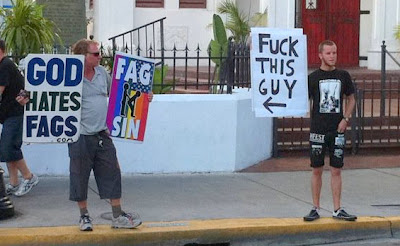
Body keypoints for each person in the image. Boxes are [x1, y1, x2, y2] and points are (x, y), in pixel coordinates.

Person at [70, 39, 153, 231]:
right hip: (80, 135)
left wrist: (144, 96)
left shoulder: (101, 73)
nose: (100, 57)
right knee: (79, 176)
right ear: (83, 56)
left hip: (102, 134)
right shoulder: (71, 76)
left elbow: (120, 93)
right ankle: (84, 217)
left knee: (113, 173)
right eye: (96, 54)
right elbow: (51, 95)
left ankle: (118, 216)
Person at [303, 40, 357, 222]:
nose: (332, 56)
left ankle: (337, 209)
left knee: (336, 170)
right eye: (328, 53)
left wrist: (346, 119)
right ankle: (315, 207)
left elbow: (351, 99)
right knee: (316, 169)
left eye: (334, 52)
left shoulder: (343, 76)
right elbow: (302, 99)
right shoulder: (313, 78)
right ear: (320, 55)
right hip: (318, 129)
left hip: (337, 130)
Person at [0, 40, 39, 197]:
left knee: (9, 147)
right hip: (8, 114)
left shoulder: (5, 65)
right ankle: (14, 182)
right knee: (7, 148)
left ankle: (29, 177)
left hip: (16, 113)